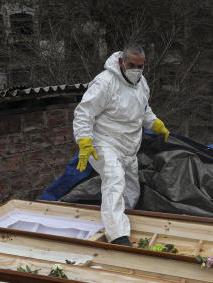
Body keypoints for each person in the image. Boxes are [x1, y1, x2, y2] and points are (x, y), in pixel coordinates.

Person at [72, 44, 170, 246]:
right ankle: (117, 235)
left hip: (128, 147)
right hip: (104, 143)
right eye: (131, 64)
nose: (136, 69)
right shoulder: (105, 82)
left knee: (131, 188)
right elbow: (84, 113)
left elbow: (143, 108)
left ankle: (125, 219)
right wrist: (84, 141)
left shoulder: (142, 83)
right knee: (115, 181)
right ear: (121, 62)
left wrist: (155, 123)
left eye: (140, 66)